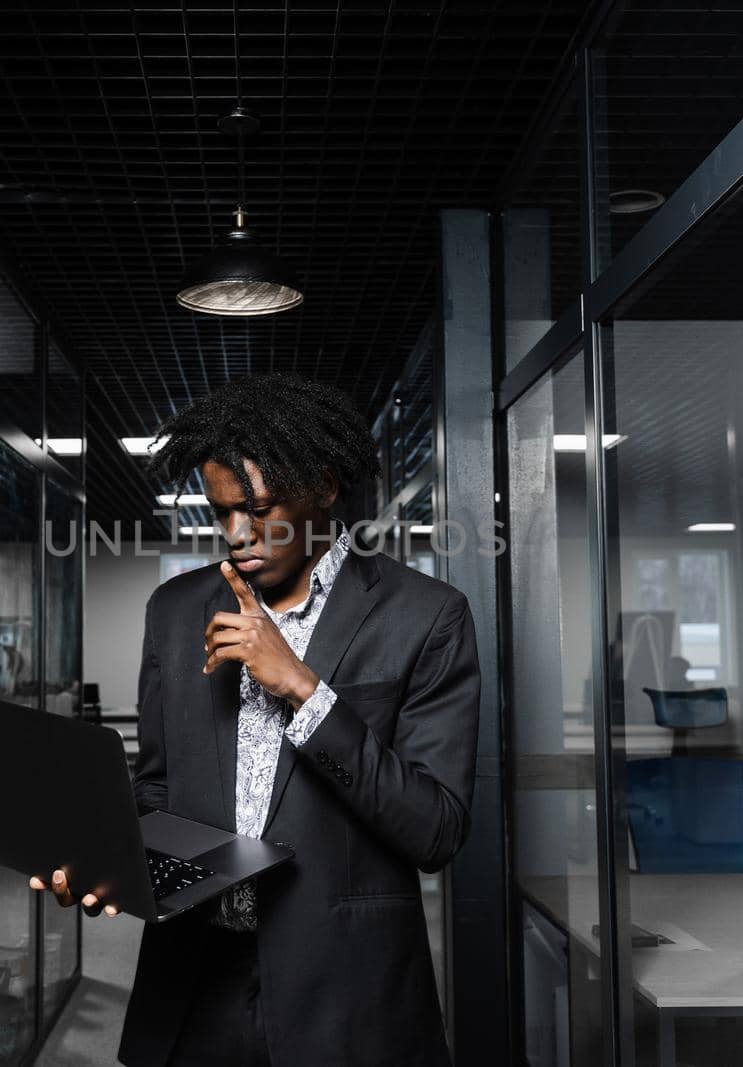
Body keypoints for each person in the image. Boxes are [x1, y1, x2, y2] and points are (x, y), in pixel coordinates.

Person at [28, 373, 480, 1065]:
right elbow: (156, 793)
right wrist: (107, 867)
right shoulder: (176, 610)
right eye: (221, 512)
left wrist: (303, 687)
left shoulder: (426, 614)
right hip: (193, 990)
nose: (237, 534)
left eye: (259, 508)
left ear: (325, 486)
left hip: (351, 1001)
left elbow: (437, 829)